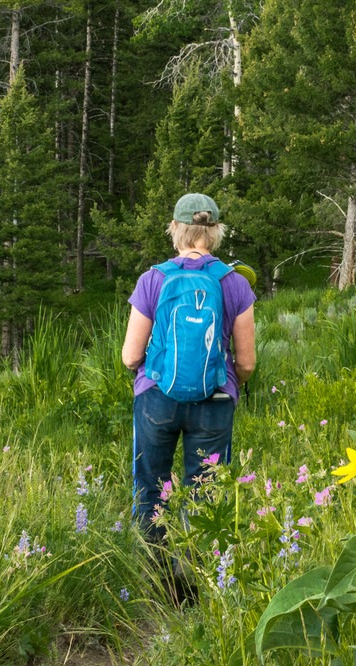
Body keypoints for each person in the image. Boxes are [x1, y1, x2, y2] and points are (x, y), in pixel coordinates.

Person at [121, 193, 258, 552]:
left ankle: (154, 575)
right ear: (215, 232)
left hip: (156, 398)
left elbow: (130, 356)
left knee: (151, 485)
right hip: (214, 399)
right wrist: (229, 384)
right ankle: (197, 581)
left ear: (176, 229)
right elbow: (246, 363)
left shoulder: (153, 279)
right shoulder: (236, 284)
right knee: (206, 491)